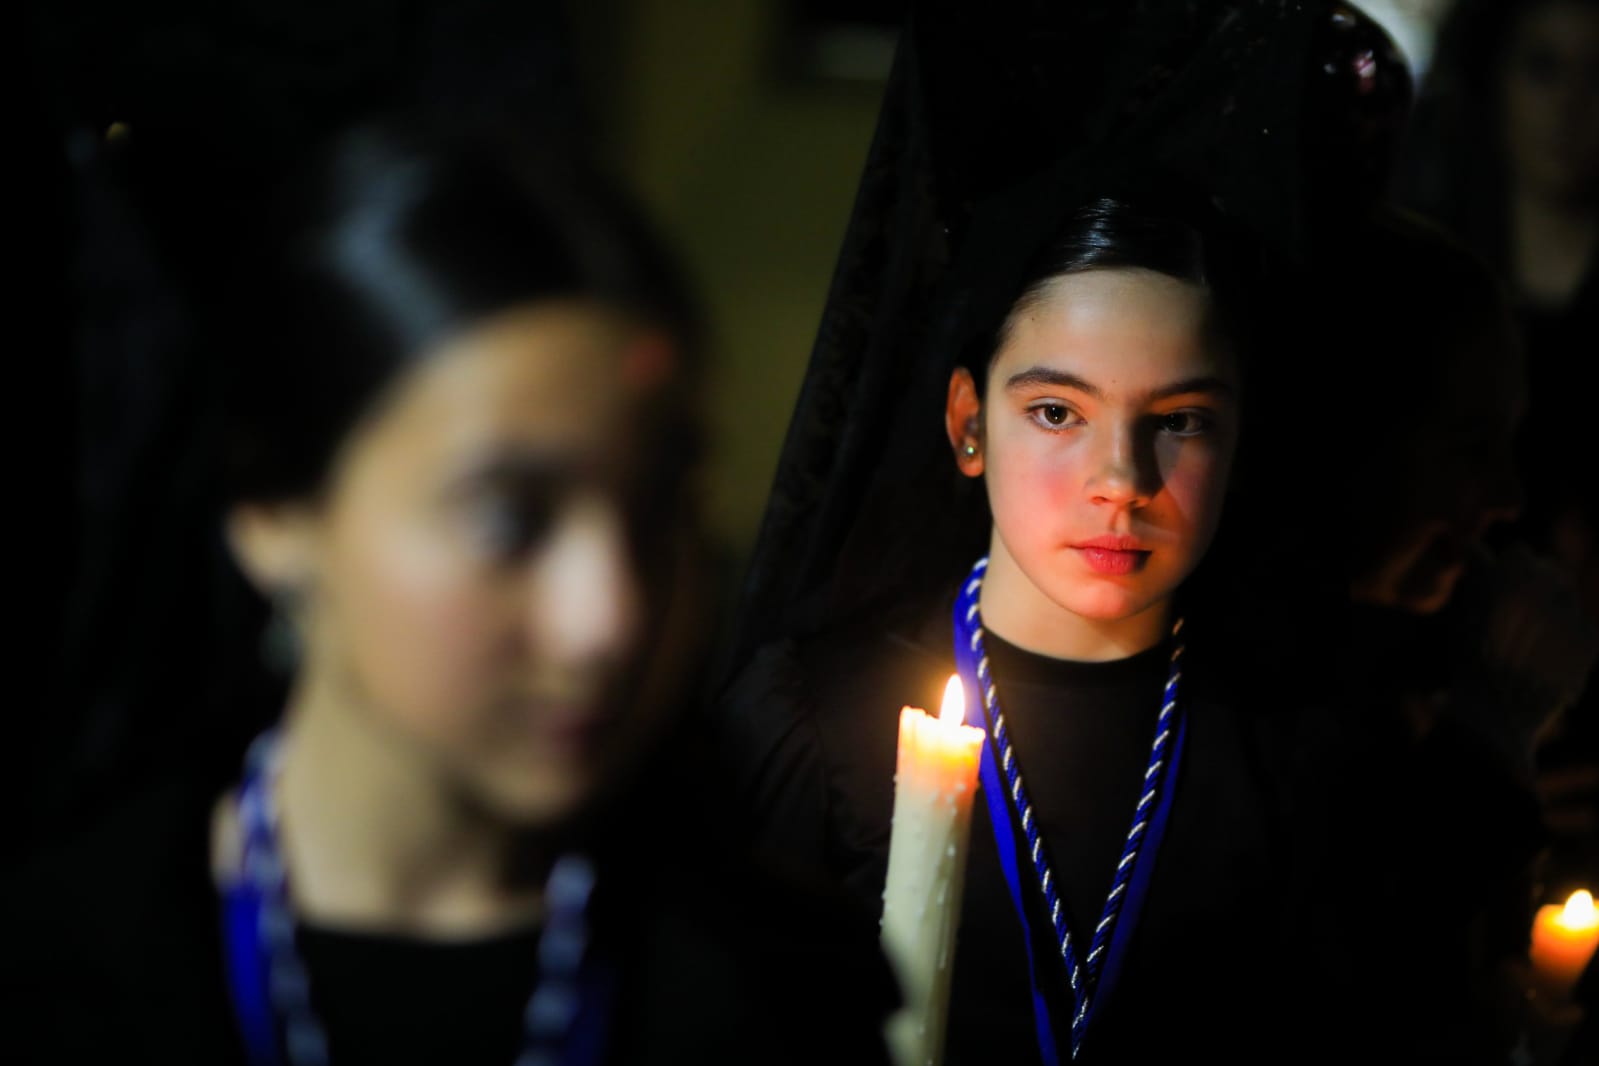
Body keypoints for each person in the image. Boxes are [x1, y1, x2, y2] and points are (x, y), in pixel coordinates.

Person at [5, 122, 894, 1066]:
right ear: (276, 514)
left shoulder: (784, 997)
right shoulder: (56, 978)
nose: (610, 619)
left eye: (658, 508)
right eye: (507, 520)